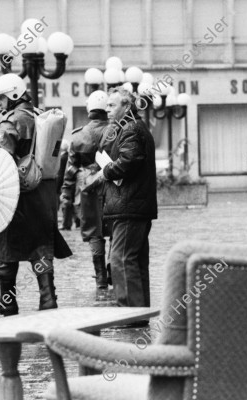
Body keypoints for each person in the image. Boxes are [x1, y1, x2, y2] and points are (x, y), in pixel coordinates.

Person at [0, 73, 72, 316]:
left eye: (0, 98)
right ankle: (47, 298)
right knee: (40, 246)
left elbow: (3, 161)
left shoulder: (9, 123)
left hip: (17, 196)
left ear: (13, 95)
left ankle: (7, 301)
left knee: (6, 249)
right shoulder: (39, 115)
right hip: (43, 194)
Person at [93, 87, 157, 309]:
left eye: (112, 105)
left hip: (129, 205)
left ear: (127, 107)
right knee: (135, 261)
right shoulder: (131, 127)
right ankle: (138, 313)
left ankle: (128, 313)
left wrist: (105, 172)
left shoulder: (130, 128)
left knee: (121, 259)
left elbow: (129, 161)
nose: (107, 109)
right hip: (133, 204)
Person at [61, 90, 110, 289]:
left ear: (89, 108)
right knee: (116, 229)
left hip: (89, 190)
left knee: (95, 233)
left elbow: (71, 171)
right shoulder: (117, 130)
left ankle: (100, 278)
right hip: (113, 186)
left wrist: (66, 194)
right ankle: (112, 270)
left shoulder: (78, 136)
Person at [57, 139, 79, 231]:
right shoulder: (68, 156)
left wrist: (59, 186)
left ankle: (66, 224)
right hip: (73, 182)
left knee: (66, 203)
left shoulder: (62, 158)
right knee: (72, 203)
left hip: (66, 182)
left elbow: (61, 173)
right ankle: (77, 222)